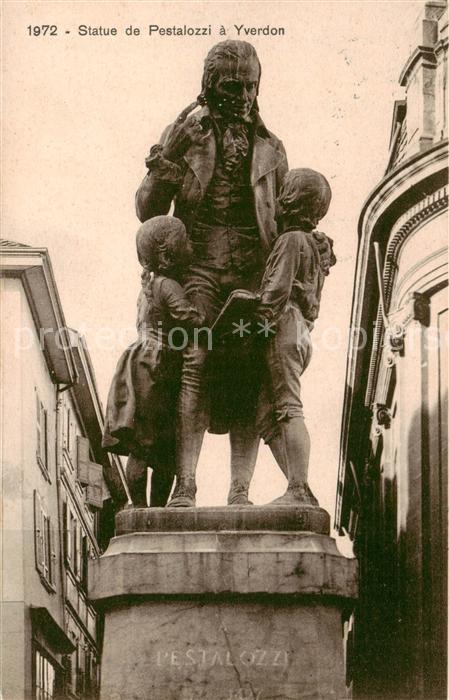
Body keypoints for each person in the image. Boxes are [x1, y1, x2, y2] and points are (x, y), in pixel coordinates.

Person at [135, 40, 288, 507]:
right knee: (195, 362)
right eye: (230, 88)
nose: (242, 97)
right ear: (209, 88)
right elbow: (147, 208)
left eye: (250, 87)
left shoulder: (272, 147)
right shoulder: (186, 135)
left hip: (250, 269)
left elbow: (281, 217)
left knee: (248, 371)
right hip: (197, 264)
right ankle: (186, 482)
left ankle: (240, 489)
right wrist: (166, 159)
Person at [102, 216, 204, 507]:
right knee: (162, 445)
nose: (191, 244)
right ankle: (155, 510)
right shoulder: (169, 285)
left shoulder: (148, 287)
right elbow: (187, 317)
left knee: (142, 444)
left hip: (140, 364)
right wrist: (205, 317)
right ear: (168, 254)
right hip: (158, 366)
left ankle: (140, 507)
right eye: (185, 240)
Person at [255, 168, 336, 505]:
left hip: (283, 325)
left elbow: (275, 292)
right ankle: (300, 487)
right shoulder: (314, 246)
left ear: (289, 200)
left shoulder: (290, 241)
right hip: (300, 329)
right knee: (266, 415)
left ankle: (298, 488)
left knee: (288, 407)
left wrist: (252, 313)